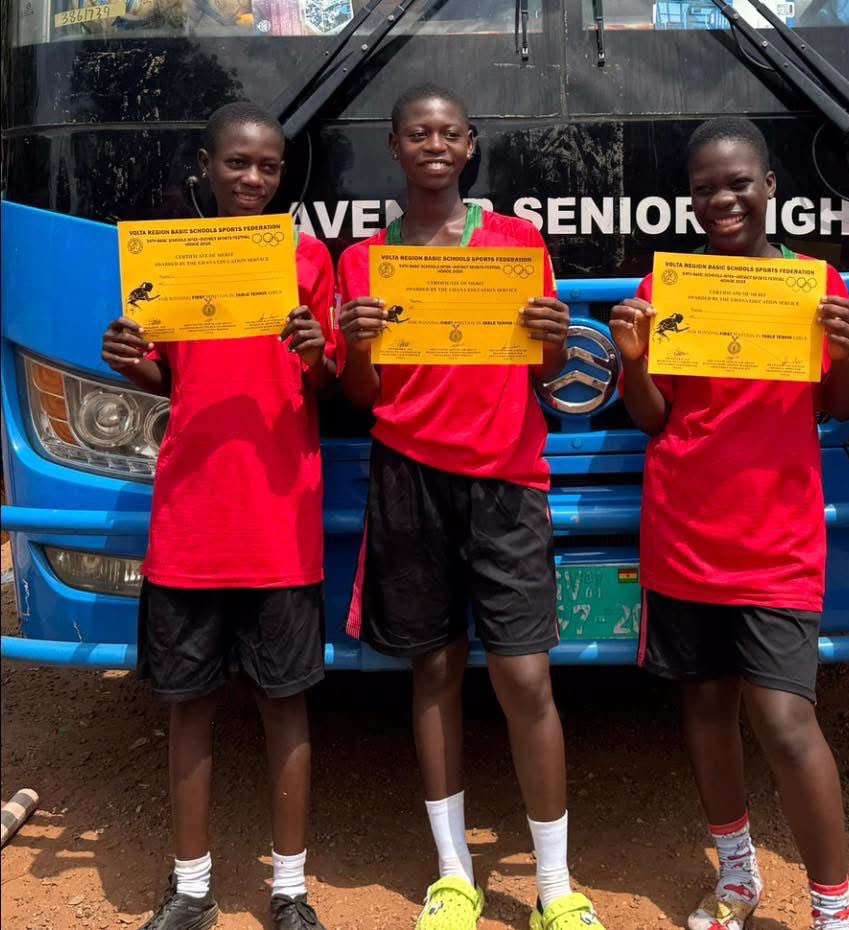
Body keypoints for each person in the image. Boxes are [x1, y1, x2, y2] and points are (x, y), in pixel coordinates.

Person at [334, 84, 605, 930]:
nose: (435, 146)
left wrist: (554, 333)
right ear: (394, 146)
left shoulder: (518, 246)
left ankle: (556, 887)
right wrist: (360, 342)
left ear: (471, 144)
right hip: (407, 477)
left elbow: (545, 371)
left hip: (506, 479)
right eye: (420, 133)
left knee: (527, 677)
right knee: (434, 671)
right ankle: (453, 874)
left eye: (450, 133)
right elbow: (358, 392)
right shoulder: (365, 260)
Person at [612, 117, 849, 930]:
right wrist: (630, 359)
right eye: (704, 188)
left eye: (737, 183)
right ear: (687, 202)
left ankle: (834, 909)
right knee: (705, 708)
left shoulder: (816, 284)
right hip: (685, 529)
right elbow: (656, 420)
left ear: (771, 188)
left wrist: (843, 352)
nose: (722, 198)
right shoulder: (670, 289)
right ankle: (737, 872)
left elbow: (840, 407)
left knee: (787, 719)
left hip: (777, 537)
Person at [101, 102, 337, 930]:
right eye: (237, 164)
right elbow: (169, 380)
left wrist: (316, 356)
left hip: (279, 526)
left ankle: (289, 888)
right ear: (205, 167)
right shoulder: (168, 260)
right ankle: (191, 886)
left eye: (268, 168)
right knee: (189, 706)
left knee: (285, 707)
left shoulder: (309, 261)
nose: (252, 178)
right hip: (190, 528)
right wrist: (131, 362)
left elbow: (329, 385)